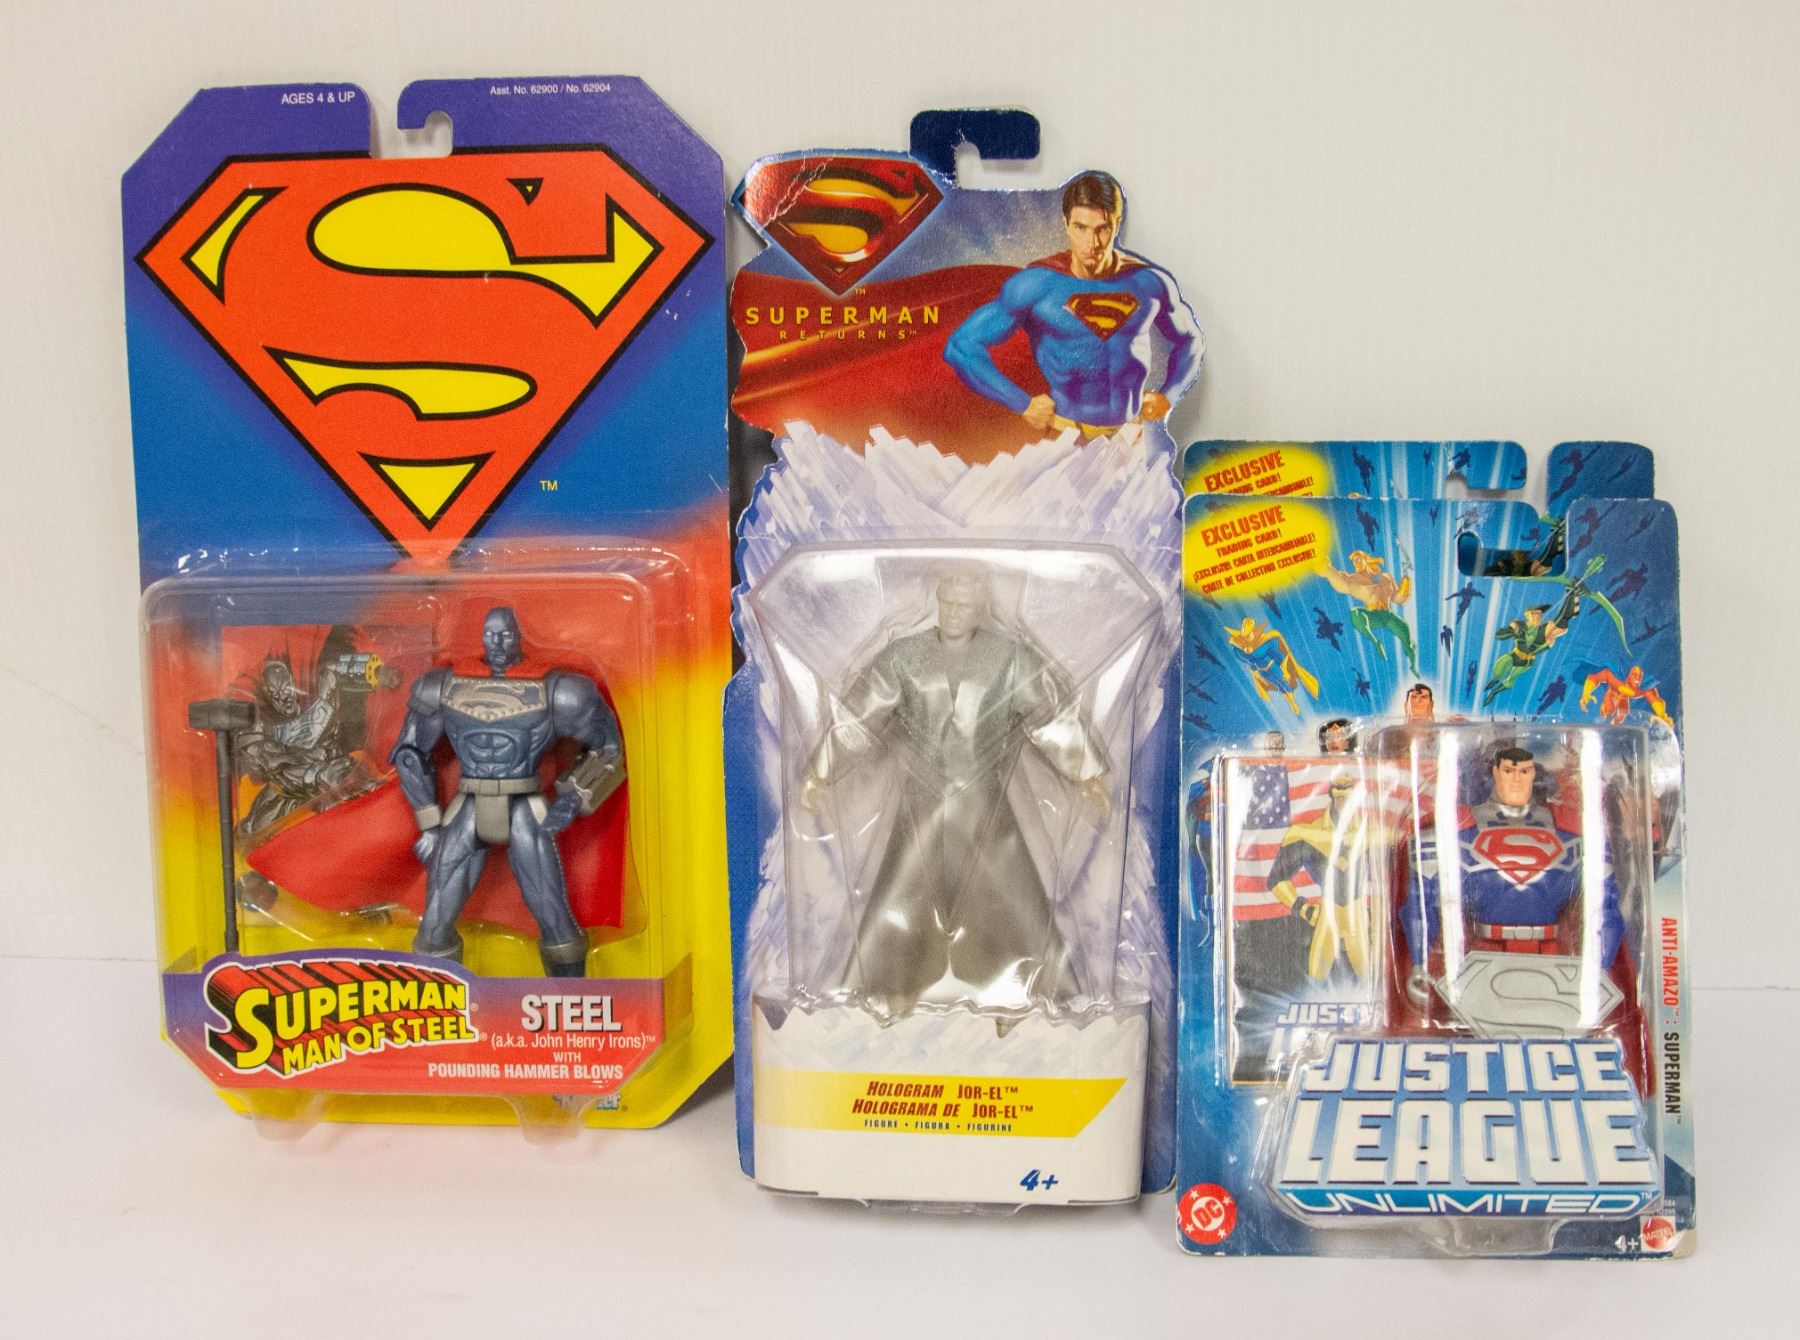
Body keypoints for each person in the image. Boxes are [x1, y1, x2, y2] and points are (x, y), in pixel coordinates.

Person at [799, 570, 1110, 1018]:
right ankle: (881, 998)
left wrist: (1087, 774)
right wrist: (820, 772)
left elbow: (1050, 713)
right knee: (898, 901)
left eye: (962, 605)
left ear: (980, 608)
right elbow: (860, 714)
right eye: (946, 602)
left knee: (1015, 905)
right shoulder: (906, 655)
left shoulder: (1007, 657)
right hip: (920, 809)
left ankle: (1040, 999)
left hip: (984, 810)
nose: (952, 613)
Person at [944, 172, 1202, 436]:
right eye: (1081, 228)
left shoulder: (1149, 283)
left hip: (1131, 434)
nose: (1092, 243)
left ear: (1117, 224)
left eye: (1103, 229)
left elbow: (1190, 339)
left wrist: (1169, 395)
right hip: (1067, 436)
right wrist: (1021, 403)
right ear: (1066, 224)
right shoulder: (1036, 285)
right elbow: (961, 346)